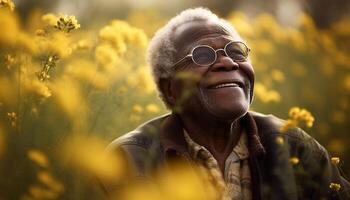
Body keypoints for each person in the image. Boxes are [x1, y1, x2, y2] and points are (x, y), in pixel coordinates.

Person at [101, 8, 350, 199]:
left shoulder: (294, 145)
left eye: (236, 51)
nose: (228, 62)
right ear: (170, 89)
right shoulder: (130, 158)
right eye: (202, 54)